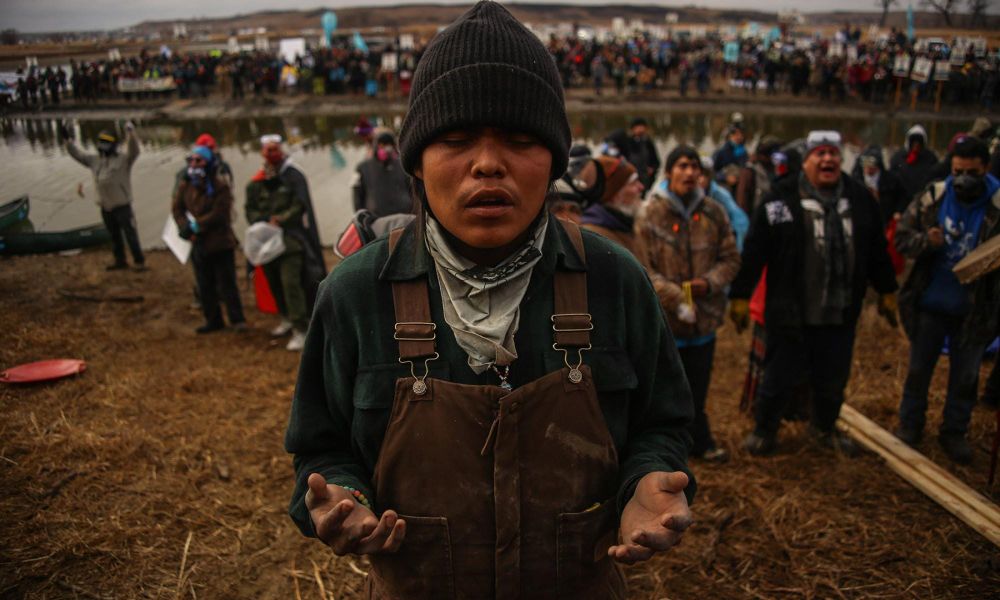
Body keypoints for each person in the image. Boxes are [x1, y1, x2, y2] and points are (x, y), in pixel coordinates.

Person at [285, 4, 695, 597]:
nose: (487, 164)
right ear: (417, 163)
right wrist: (338, 498)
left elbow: (665, 424)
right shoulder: (353, 293)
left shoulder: (615, 279)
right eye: (454, 139)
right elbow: (318, 448)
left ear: (554, 160)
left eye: (521, 139)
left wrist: (648, 482)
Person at [729, 130, 899, 456]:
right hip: (790, 313)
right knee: (777, 378)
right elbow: (755, 251)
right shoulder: (780, 200)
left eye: (833, 154)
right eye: (819, 154)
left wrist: (887, 289)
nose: (827, 159)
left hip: (840, 313)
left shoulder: (860, 198)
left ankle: (823, 429)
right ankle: (765, 430)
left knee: (832, 379)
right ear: (806, 161)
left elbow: (878, 249)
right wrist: (739, 294)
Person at [893, 137, 1000, 464]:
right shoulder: (933, 197)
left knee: (965, 378)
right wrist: (927, 240)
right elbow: (901, 238)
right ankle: (910, 425)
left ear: (985, 169)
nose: (963, 179)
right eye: (957, 171)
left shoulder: (997, 204)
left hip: (974, 311)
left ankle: (954, 432)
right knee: (918, 370)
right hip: (930, 304)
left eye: (971, 172)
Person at [636, 145, 741, 463]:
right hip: (665, 321)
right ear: (668, 173)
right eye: (682, 166)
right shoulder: (649, 214)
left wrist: (708, 284)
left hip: (704, 322)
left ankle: (699, 439)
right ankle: (661, 451)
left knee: (698, 386)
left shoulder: (714, 212)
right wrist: (677, 295)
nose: (690, 172)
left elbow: (731, 258)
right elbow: (643, 269)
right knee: (663, 392)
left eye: (695, 167)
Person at [245, 135, 326, 352]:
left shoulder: (292, 175)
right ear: (262, 152)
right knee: (274, 283)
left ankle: (301, 327)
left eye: (275, 149)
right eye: (267, 150)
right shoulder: (257, 181)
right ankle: (286, 318)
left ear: (280, 150)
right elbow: (249, 209)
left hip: (291, 241)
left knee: (291, 283)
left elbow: (300, 205)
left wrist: (280, 219)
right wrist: (262, 221)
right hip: (266, 242)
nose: (271, 154)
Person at [172, 145, 246, 333]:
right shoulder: (185, 184)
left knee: (227, 283)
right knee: (204, 284)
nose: (194, 164)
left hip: (220, 242)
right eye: (192, 160)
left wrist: (198, 225)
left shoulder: (220, 186)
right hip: (198, 244)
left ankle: (237, 319)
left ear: (208, 163)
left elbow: (220, 213)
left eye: (199, 160)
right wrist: (184, 227)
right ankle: (213, 320)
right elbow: (177, 208)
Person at [66, 123, 145, 271]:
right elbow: (78, 155)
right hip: (105, 207)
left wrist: (131, 134)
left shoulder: (124, 159)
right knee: (114, 236)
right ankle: (120, 261)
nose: (103, 145)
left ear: (114, 144)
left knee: (130, 235)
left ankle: (139, 261)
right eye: (101, 142)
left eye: (107, 142)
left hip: (123, 206)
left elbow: (135, 151)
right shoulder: (94, 160)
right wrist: (68, 142)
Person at [579, 156, 644, 255]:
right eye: (633, 183)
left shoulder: (628, 226)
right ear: (614, 194)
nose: (641, 187)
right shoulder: (595, 237)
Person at [351, 131, 413, 217]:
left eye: (389, 145)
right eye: (382, 145)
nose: (386, 148)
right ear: (376, 146)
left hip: (405, 217)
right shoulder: (362, 168)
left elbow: (413, 190)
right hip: (377, 220)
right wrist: (361, 218)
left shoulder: (403, 164)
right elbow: (357, 196)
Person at [698, 156, 750, 251]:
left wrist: (738, 249)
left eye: (705, 175)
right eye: (699, 175)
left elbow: (741, 221)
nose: (701, 180)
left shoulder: (720, 194)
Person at [890, 124, 939, 205]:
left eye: (919, 142)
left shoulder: (930, 158)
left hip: (923, 199)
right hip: (901, 200)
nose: (916, 145)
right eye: (913, 142)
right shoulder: (898, 157)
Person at [735, 136, 782, 215]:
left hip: (775, 215)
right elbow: (742, 202)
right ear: (764, 156)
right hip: (758, 218)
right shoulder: (749, 172)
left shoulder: (776, 167)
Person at [622, 117, 660, 196]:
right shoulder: (627, 142)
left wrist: (652, 169)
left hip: (644, 177)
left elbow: (656, 161)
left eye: (642, 127)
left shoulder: (648, 142)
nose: (640, 129)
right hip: (631, 176)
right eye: (638, 127)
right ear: (633, 129)